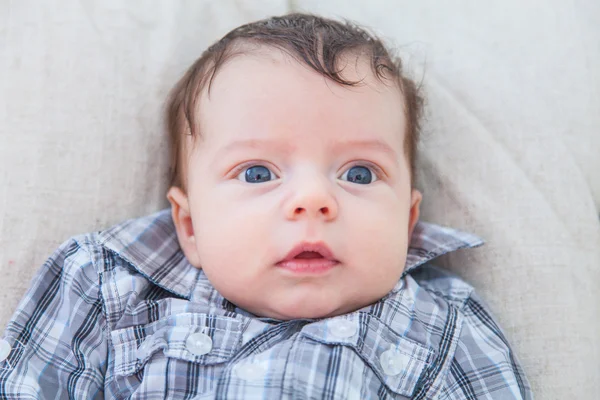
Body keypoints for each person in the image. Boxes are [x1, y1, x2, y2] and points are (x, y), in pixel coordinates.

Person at [0, 13, 532, 399]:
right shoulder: (109, 286)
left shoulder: (441, 326)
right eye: (258, 173)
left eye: (359, 174)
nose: (313, 200)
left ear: (409, 221)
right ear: (189, 225)